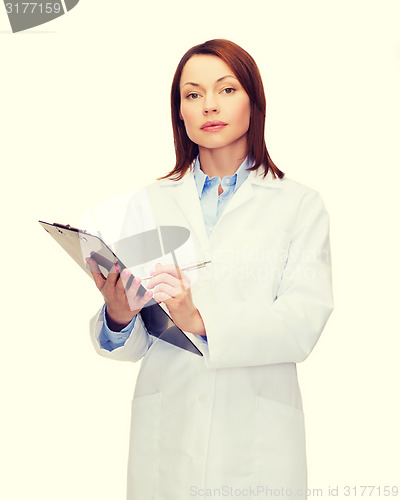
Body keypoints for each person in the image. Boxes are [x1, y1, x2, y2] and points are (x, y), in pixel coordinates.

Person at [86, 39, 334, 499]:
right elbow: (137, 342)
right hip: (169, 433)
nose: (209, 106)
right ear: (179, 112)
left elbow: (303, 322)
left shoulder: (299, 204)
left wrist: (200, 320)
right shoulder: (148, 202)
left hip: (257, 436)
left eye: (226, 89)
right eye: (193, 94)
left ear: (253, 101)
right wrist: (118, 315)